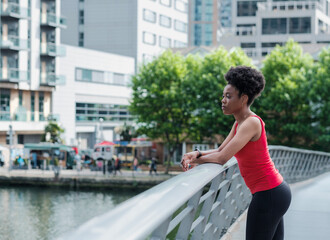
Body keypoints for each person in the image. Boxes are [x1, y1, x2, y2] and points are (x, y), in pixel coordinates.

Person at [181, 66, 291, 240]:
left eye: (228, 96)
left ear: (244, 98)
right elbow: (220, 150)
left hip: (269, 194)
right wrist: (197, 154)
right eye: (223, 96)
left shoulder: (251, 123)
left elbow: (223, 158)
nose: (223, 100)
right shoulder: (239, 123)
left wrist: (196, 161)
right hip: (273, 193)